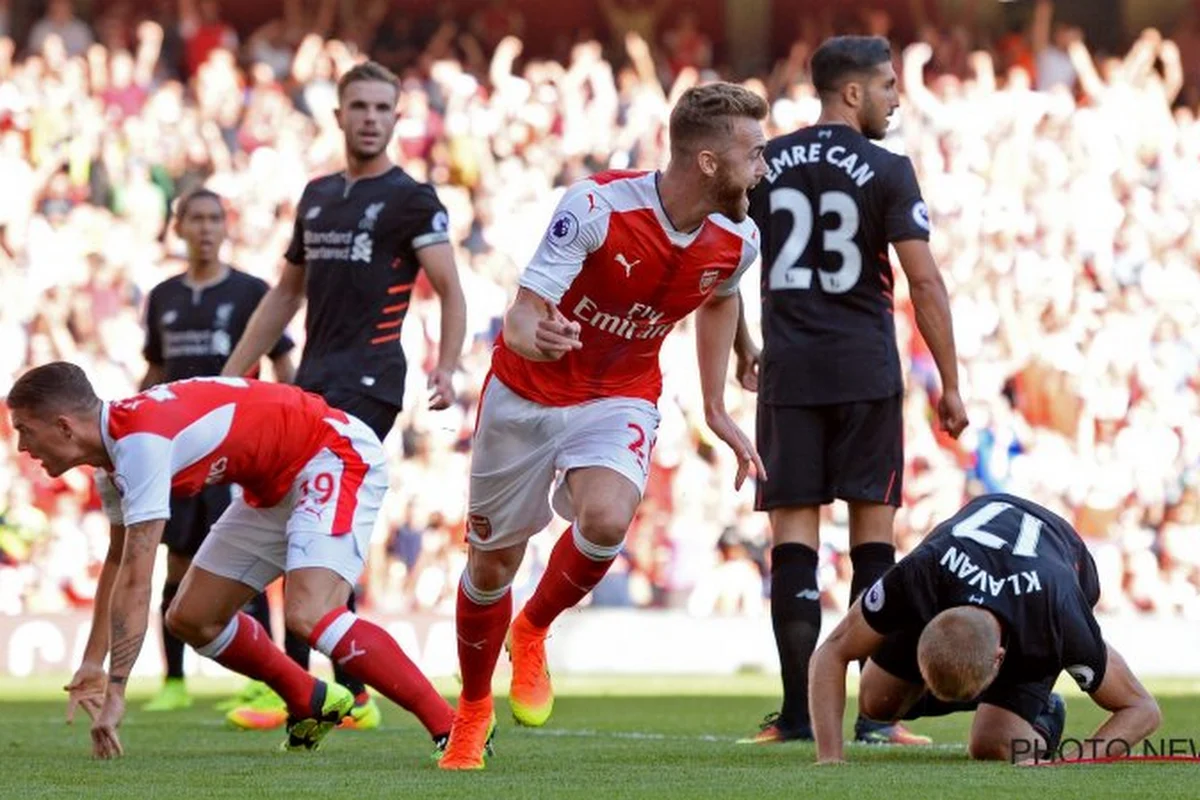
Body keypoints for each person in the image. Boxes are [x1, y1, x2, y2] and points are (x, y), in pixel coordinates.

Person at [438, 82, 769, 771]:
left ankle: (532, 629)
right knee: (491, 564)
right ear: (708, 162)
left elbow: (719, 301)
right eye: (754, 153)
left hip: (619, 393)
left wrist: (718, 403)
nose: (764, 167)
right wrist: (539, 338)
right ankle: (472, 708)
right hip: (526, 393)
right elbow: (524, 314)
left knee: (611, 519)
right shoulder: (596, 206)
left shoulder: (739, 237)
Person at [9, 363, 455, 759]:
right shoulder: (111, 463)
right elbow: (116, 565)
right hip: (272, 483)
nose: (22, 446)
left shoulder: (140, 444)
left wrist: (117, 691)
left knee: (309, 612)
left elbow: (138, 581)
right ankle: (309, 697)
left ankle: (452, 728)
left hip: (330, 452)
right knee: (190, 617)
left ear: (65, 427)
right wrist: (93, 663)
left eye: (25, 430)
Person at [220, 59, 467, 731]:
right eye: (359, 106)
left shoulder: (413, 199)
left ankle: (316, 693)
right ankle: (338, 693)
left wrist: (447, 366)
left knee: (307, 515)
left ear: (396, 117)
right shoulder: (318, 195)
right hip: (312, 381)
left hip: (370, 384)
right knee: (304, 519)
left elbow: (449, 287)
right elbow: (285, 293)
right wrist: (235, 375)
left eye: (382, 109)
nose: (369, 118)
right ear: (339, 114)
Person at [740, 35, 968, 746]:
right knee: (874, 544)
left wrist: (744, 345)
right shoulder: (889, 169)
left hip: (790, 374)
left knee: (794, 545)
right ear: (851, 92)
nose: (897, 97)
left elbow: (719, 263)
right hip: (865, 373)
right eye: (888, 85)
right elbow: (924, 280)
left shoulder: (765, 163)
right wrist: (951, 383)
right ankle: (874, 717)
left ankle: (799, 717)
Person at [809, 493, 1162, 763]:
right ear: (925, 625)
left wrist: (1075, 762)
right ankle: (996, 703)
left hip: (1057, 565)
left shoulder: (1058, 613)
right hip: (968, 553)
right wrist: (829, 759)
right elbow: (832, 650)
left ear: (1000, 661)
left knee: (992, 743)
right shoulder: (921, 574)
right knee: (876, 701)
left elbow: (1142, 709)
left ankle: (1044, 712)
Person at [136, 188, 294, 714]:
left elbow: (282, 364)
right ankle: (175, 681)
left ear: (226, 228)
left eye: (213, 219)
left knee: (244, 561)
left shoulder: (252, 292)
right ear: (178, 228)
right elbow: (156, 372)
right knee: (178, 562)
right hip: (178, 452)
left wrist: (290, 425)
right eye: (194, 220)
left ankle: (260, 679)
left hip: (238, 448)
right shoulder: (163, 297)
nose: (204, 229)